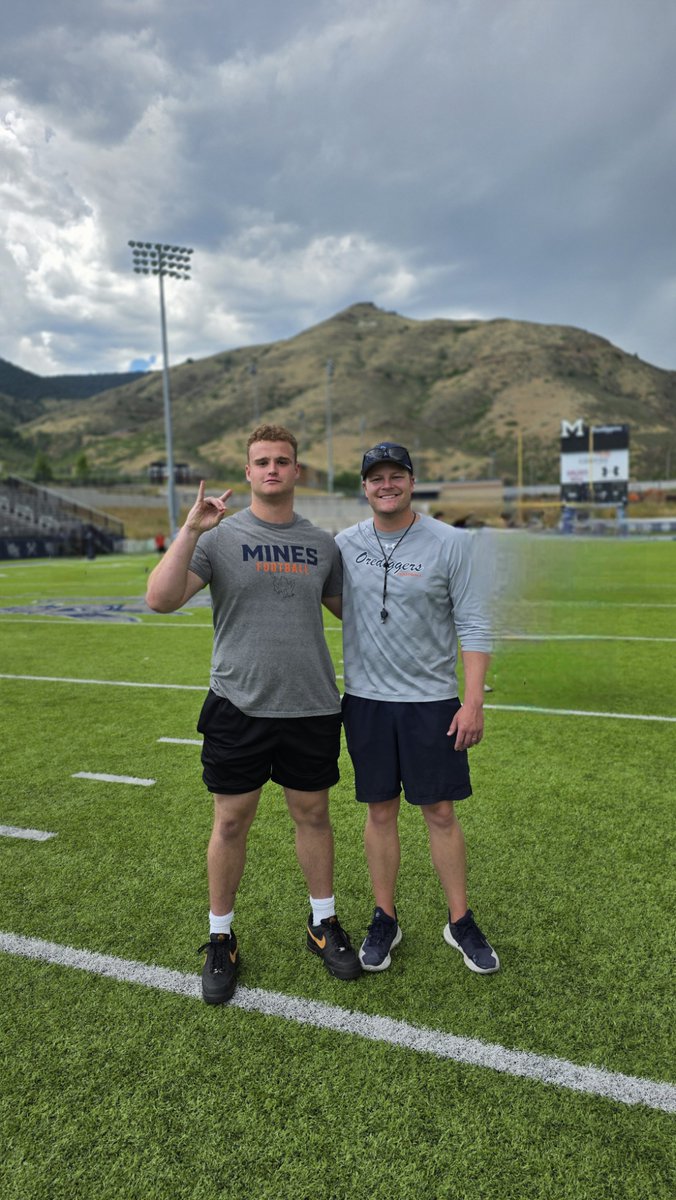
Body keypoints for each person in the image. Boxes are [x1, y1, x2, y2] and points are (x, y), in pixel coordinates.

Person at [145, 424, 361, 1004]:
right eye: (262, 461)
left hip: (311, 704)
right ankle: (221, 936)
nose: (272, 469)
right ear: (248, 472)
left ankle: (323, 922)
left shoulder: (322, 544)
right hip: (238, 703)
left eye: (282, 461)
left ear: (296, 471)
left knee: (313, 815)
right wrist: (190, 529)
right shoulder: (218, 537)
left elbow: (356, 615)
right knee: (231, 822)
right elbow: (160, 599)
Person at [335, 442, 499, 974]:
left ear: (411, 481)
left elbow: (474, 621)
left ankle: (460, 920)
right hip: (366, 701)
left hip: (431, 702)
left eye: (396, 475)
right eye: (376, 477)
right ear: (365, 487)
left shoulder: (451, 542)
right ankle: (385, 917)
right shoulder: (344, 543)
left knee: (441, 812)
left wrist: (473, 702)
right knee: (379, 811)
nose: (386, 485)